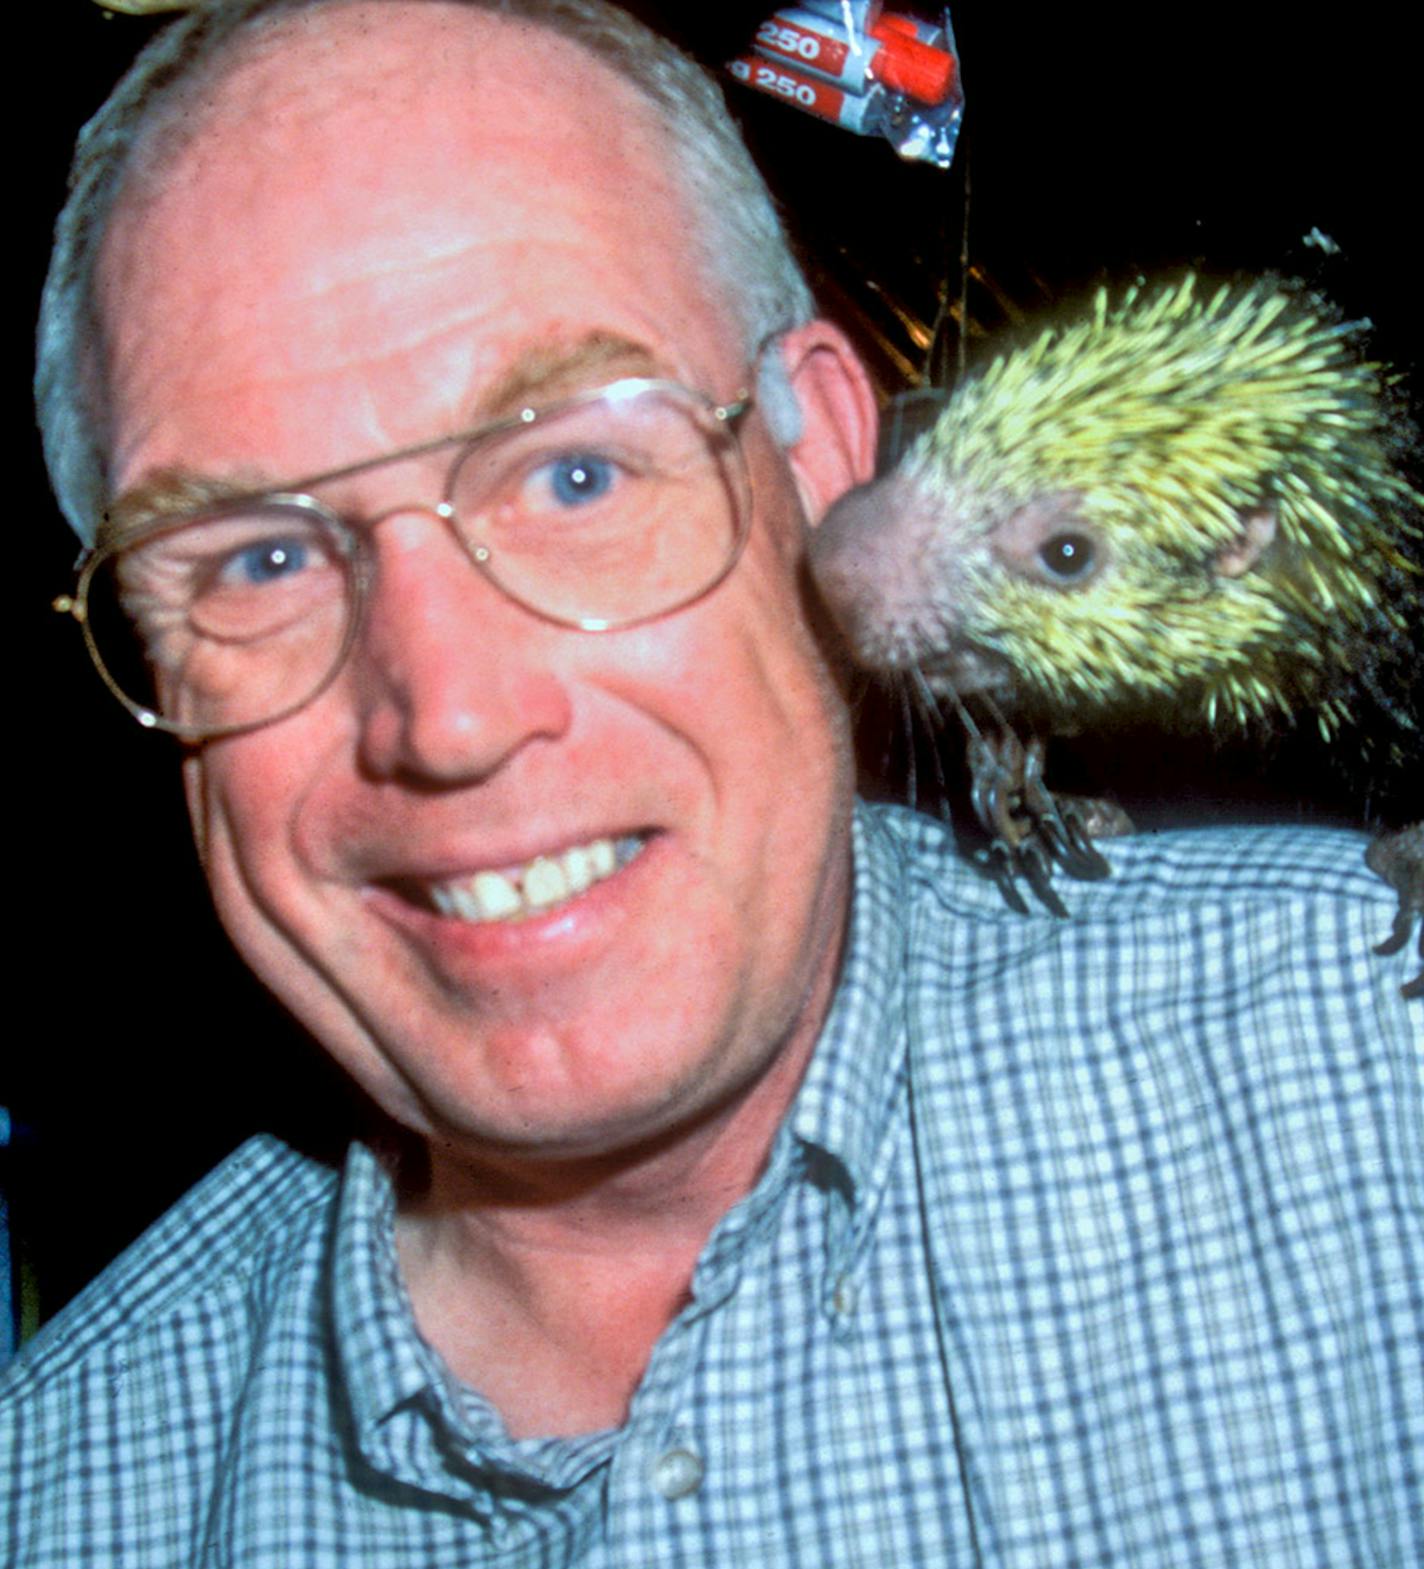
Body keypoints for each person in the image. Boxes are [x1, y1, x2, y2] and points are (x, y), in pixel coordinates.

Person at [3, 2, 1419, 1564]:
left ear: (818, 453)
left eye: (576, 473)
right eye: (261, 558)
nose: (449, 715)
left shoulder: (1379, 1085)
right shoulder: (60, 1494)